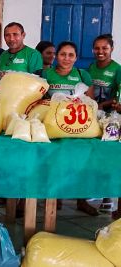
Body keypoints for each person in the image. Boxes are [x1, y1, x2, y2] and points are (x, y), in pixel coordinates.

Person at [41, 41, 97, 216]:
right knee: (53, 161)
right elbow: (38, 99)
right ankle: (55, 197)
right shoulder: (46, 74)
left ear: (76, 58)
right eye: (63, 54)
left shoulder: (83, 75)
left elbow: (91, 103)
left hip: (77, 127)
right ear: (56, 56)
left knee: (81, 162)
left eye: (71, 55)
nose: (66, 58)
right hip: (53, 126)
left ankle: (82, 200)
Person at [88, 34, 121, 212]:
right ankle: (94, 189)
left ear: (111, 49)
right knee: (94, 154)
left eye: (104, 48)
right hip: (94, 116)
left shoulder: (117, 69)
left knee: (108, 156)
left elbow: (119, 95)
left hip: (111, 118)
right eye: (97, 48)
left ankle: (108, 197)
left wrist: (104, 105)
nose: (100, 52)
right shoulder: (91, 67)